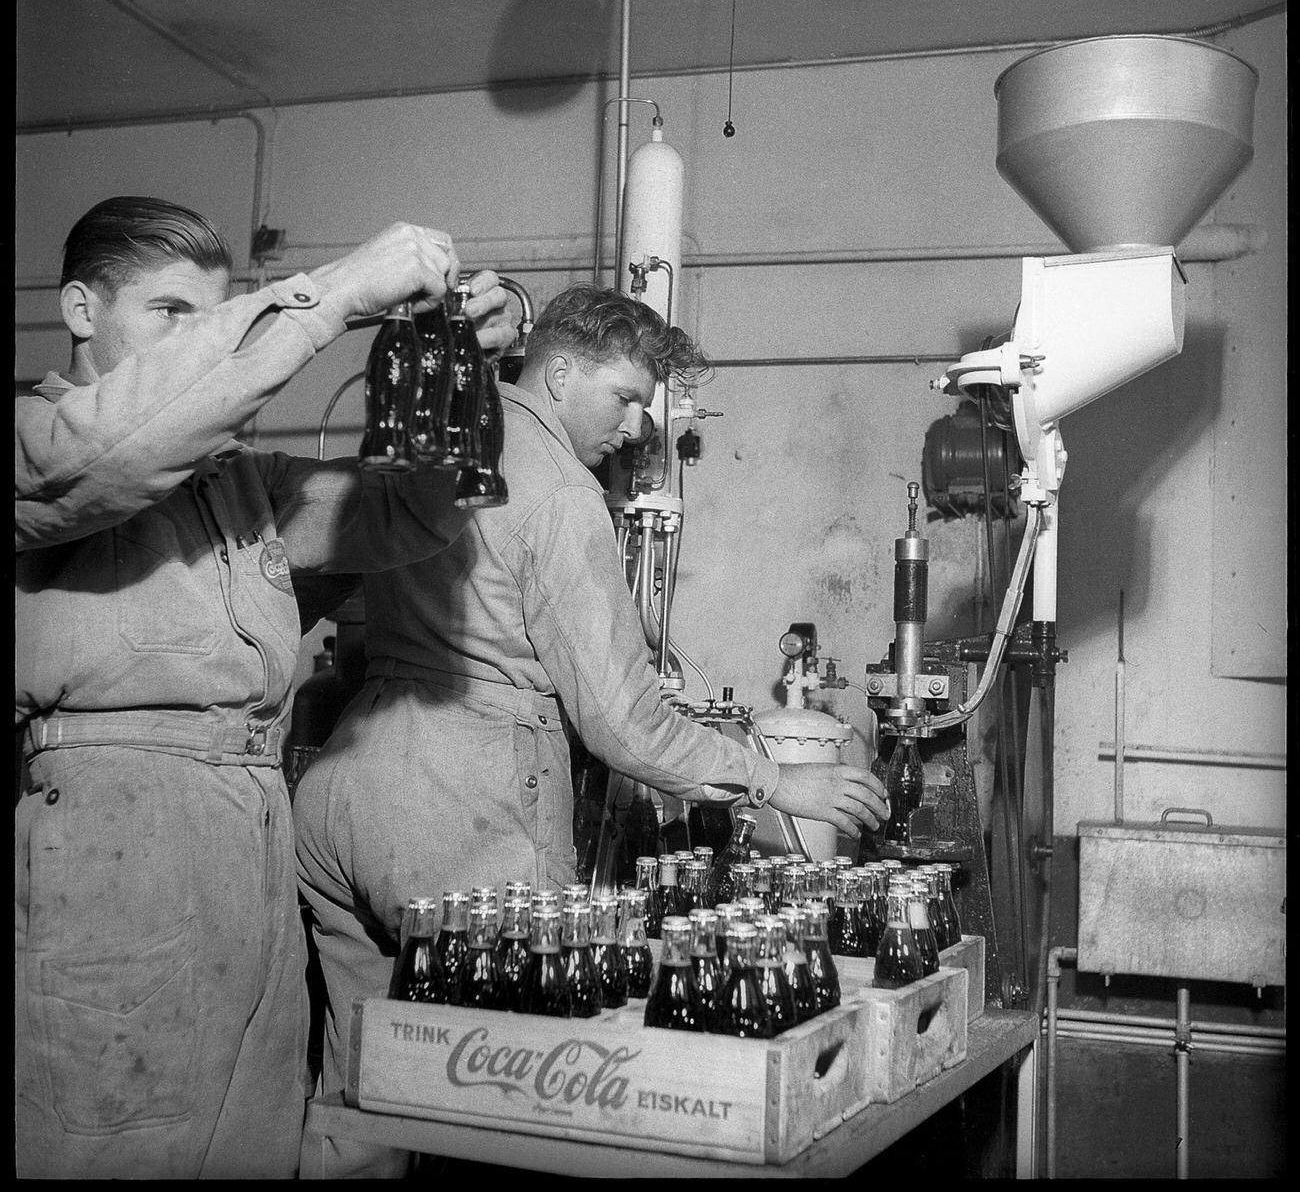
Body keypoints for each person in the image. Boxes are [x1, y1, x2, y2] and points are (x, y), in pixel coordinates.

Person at [293, 284, 890, 1176]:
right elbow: (624, 725)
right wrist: (778, 783)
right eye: (625, 397)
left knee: (365, 1097)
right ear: (560, 369)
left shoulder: (440, 436)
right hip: (461, 806)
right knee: (503, 1109)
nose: (638, 426)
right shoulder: (564, 495)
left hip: (347, 782)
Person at [14, 195, 515, 1179]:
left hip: (249, 824)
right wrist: (328, 296)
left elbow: (417, 516)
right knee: (116, 1142)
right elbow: (107, 455)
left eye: (214, 315)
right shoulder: (38, 436)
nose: (200, 338)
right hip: (118, 840)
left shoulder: (236, 479)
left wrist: (457, 362)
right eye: (171, 314)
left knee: (250, 1135)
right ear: (80, 310)